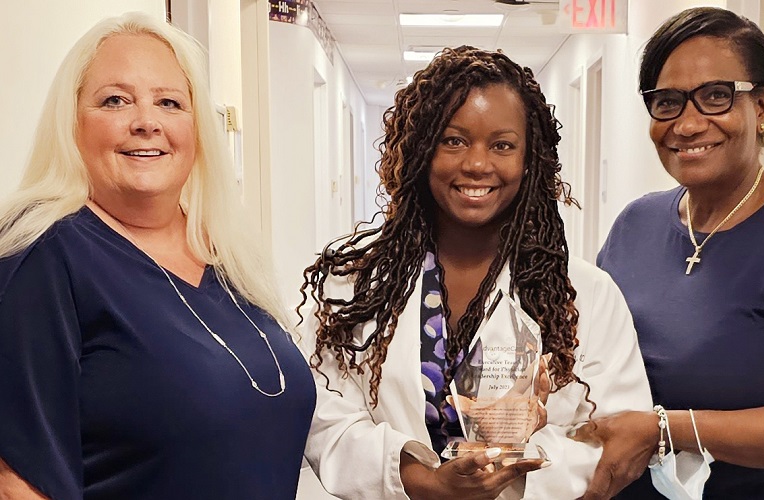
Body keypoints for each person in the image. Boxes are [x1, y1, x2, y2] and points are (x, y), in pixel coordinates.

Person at [298, 46, 652, 500]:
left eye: (502, 145)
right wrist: (422, 480)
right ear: (422, 150)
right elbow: (324, 418)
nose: (477, 164)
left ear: (529, 161)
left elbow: (616, 434)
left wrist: (504, 472)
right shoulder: (354, 285)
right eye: (454, 140)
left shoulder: (585, 295)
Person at [0, 13, 315, 499]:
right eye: (115, 100)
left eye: (169, 102)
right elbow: (19, 480)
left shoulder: (223, 253)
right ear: (72, 121)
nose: (147, 122)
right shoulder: (40, 255)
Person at [571, 7, 764, 500]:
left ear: (761, 106)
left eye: (715, 96)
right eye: (667, 102)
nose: (687, 125)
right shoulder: (635, 224)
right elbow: (589, 354)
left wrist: (664, 429)